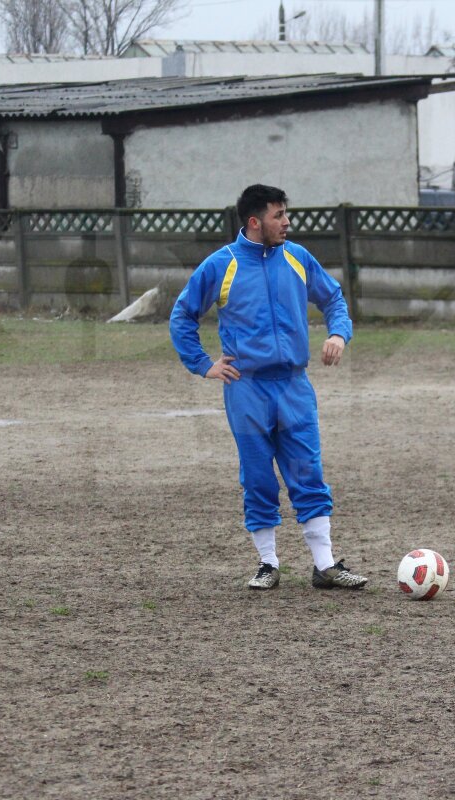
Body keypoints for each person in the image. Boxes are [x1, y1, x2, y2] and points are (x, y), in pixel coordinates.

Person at [170, 184, 368, 591]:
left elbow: (334, 299)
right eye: (279, 215)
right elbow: (182, 315)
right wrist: (204, 364)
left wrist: (338, 335)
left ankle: (325, 566)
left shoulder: (297, 257)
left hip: (295, 386)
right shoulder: (220, 265)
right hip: (248, 390)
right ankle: (268, 564)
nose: (287, 222)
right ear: (255, 221)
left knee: (307, 473)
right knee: (258, 477)